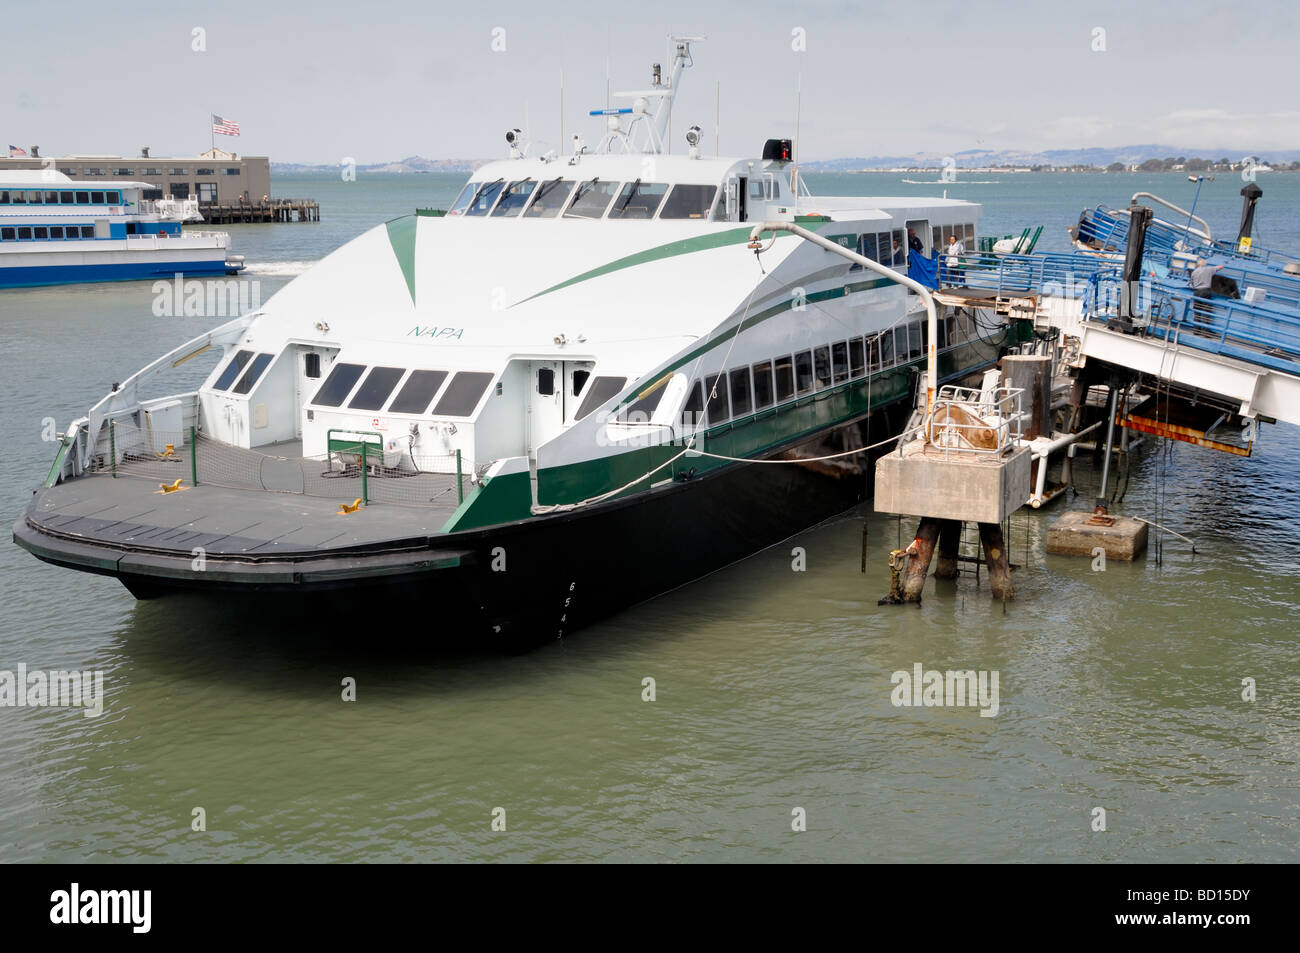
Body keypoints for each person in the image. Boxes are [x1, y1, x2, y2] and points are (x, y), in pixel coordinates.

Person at [1189, 257, 1223, 323]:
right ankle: (1204, 329)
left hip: (1197, 292)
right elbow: (1221, 267)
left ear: (1197, 265)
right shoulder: (1209, 269)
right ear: (1205, 264)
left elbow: (1192, 282)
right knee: (1206, 311)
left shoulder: (1194, 272)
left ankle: (1196, 330)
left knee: (1197, 311)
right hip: (1206, 291)